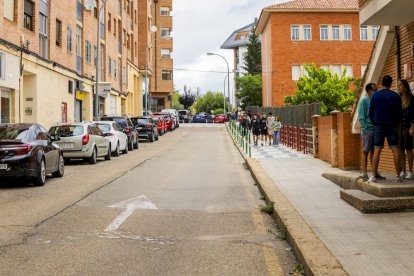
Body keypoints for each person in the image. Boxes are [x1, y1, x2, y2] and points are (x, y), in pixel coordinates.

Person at [368, 75, 403, 183]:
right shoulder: (396, 96)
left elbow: (371, 112)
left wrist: (375, 123)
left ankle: (373, 176)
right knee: (395, 150)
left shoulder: (375, 95)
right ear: (391, 83)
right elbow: (399, 114)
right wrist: (396, 124)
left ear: (382, 83)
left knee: (377, 150)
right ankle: (398, 175)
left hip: (379, 125)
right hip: (392, 126)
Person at [358, 83, 377, 180]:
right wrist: (365, 128)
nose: (376, 91)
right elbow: (361, 117)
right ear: (369, 90)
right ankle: (364, 172)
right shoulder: (364, 101)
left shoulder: (376, 100)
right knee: (365, 151)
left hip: (376, 129)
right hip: (367, 130)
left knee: (374, 151)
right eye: (374, 89)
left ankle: (375, 172)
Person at [398, 79, 414, 180]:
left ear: (405, 86)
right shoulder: (398, 98)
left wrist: (413, 127)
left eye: (400, 85)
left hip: (408, 127)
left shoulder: (411, 98)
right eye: (398, 85)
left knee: (408, 148)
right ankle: (403, 171)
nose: (399, 87)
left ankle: (410, 172)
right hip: (399, 127)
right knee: (400, 149)